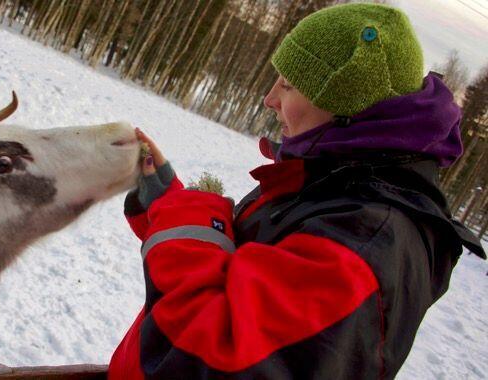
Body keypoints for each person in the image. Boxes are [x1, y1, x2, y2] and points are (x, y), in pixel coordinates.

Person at [108, 3, 485, 379]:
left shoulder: (364, 239)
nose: (269, 99)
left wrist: (188, 222)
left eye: (288, 86)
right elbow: (236, 277)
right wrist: (169, 203)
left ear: (348, 108)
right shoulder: (326, 184)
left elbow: (204, 359)